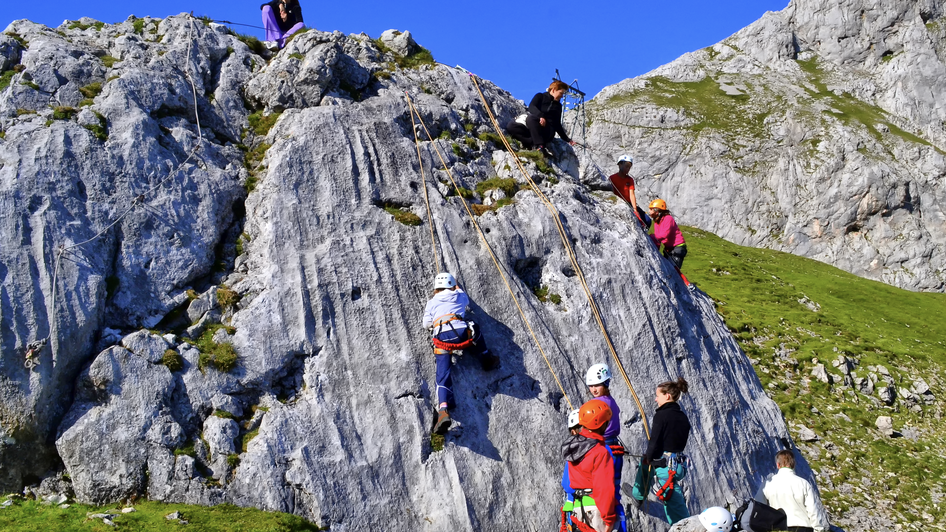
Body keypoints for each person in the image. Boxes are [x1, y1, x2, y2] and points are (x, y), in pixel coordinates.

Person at [422, 272, 500, 435]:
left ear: (436, 288)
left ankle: (443, 409)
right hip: (461, 333)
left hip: (442, 336)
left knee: (442, 374)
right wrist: (456, 286)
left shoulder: (432, 302)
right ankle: (486, 358)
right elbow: (463, 298)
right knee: (475, 328)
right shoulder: (458, 294)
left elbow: (426, 324)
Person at [629, 378, 692, 525]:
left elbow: (655, 440)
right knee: (645, 466)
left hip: (666, 466)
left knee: (672, 499)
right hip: (677, 462)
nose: (656, 399)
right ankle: (638, 495)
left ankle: (685, 527)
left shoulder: (661, 415)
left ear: (667, 396)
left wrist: (649, 456)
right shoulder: (683, 417)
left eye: (658, 395)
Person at [563, 399, 618, 532]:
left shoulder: (574, 447)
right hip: (596, 511)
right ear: (602, 424)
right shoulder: (600, 451)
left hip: (578, 508)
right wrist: (609, 519)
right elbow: (604, 488)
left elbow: (568, 482)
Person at [586, 364, 627, 532]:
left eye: (598, 385)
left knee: (601, 490)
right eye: (592, 385)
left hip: (603, 448)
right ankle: (620, 525)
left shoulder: (597, 403)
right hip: (614, 448)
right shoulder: (611, 401)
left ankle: (606, 524)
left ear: (606, 384)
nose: (594, 389)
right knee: (614, 490)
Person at [754, 450, 829, 532]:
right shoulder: (803, 483)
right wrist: (818, 529)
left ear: (778, 465)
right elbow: (813, 511)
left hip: (779, 527)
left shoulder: (768, 484)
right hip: (803, 528)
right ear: (794, 464)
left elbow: (758, 506)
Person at [505, 80, 577, 157]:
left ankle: (540, 146)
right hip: (534, 125)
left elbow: (557, 124)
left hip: (547, 130)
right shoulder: (540, 96)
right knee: (511, 126)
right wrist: (541, 116)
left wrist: (567, 139)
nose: (562, 96)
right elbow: (532, 107)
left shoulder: (558, 106)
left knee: (531, 118)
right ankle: (532, 143)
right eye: (561, 93)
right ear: (553, 90)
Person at [608, 155, 650, 228]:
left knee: (648, 220)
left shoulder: (630, 180)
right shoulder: (612, 178)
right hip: (619, 203)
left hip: (629, 204)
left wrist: (635, 209)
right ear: (620, 164)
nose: (628, 169)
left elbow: (632, 194)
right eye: (626, 166)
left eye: (629, 167)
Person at [648, 199, 687, 269]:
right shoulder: (656, 222)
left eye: (651, 209)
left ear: (657, 211)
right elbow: (658, 240)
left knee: (674, 269)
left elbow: (664, 235)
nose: (649, 211)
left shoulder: (668, 219)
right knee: (666, 268)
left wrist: (652, 237)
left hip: (678, 247)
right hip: (668, 248)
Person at [561, 409, 582, 531]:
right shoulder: (602, 448)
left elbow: (567, 484)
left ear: (573, 431)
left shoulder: (573, 453)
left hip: (578, 508)